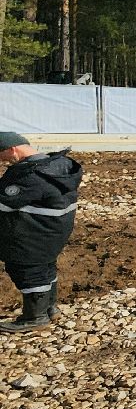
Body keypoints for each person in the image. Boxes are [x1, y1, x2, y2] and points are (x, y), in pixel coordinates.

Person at [0, 132, 82, 333]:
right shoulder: (57, 165)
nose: (1, 161)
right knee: (45, 266)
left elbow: (4, 201)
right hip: (54, 230)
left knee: (28, 270)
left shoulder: (29, 175)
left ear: (12, 150)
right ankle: (49, 308)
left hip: (32, 233)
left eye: (0, 155)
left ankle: (34, 317)